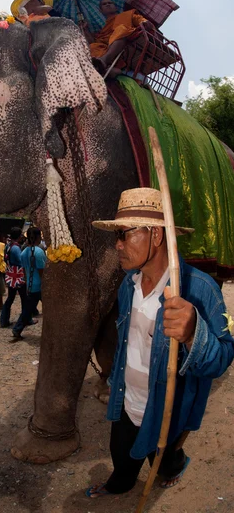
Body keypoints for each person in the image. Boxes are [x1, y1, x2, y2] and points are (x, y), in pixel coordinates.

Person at [86, 187, 234, 498]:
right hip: (128, 400)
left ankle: (175, 466)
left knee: (162, 459)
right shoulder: (130, 283)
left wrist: (194, 331)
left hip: (167, 408)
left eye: (124, 234)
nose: (117, 244)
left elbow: (221, 359)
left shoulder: (200, 290)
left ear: (155, 235)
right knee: (121, 454)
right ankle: (120, 483)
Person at [87, 0, 152, 77]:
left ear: (115, 8)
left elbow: (139, 19)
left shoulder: (127, 15)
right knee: (93, 46)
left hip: (124, 41)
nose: (108, 4)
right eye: (104, 4)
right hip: (107, 47)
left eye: (110, 2)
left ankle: (104, 60)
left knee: (121, 29)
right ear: (101, 10)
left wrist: (143, 21)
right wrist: (85, 29)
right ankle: (108, 68)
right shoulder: (103, 29)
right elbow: (96, 41)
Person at [12, 226, 46, 339]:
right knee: (50, 309)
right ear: (37, 237)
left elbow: (25, 272)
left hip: (31, 286)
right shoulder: (39, 252)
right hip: (40, 286)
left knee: (27, 309)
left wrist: (27, 285)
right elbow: (42, 271)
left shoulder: (23, 252)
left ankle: (17, 329)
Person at [0, 227, 27, 328]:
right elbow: (21, 261)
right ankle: (25, 319)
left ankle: (4, 320)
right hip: (18, 276)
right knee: (24, 298)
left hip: (11, 275)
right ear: (19, 236)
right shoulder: (16, 248)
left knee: (10, 298)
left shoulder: (8, 246)